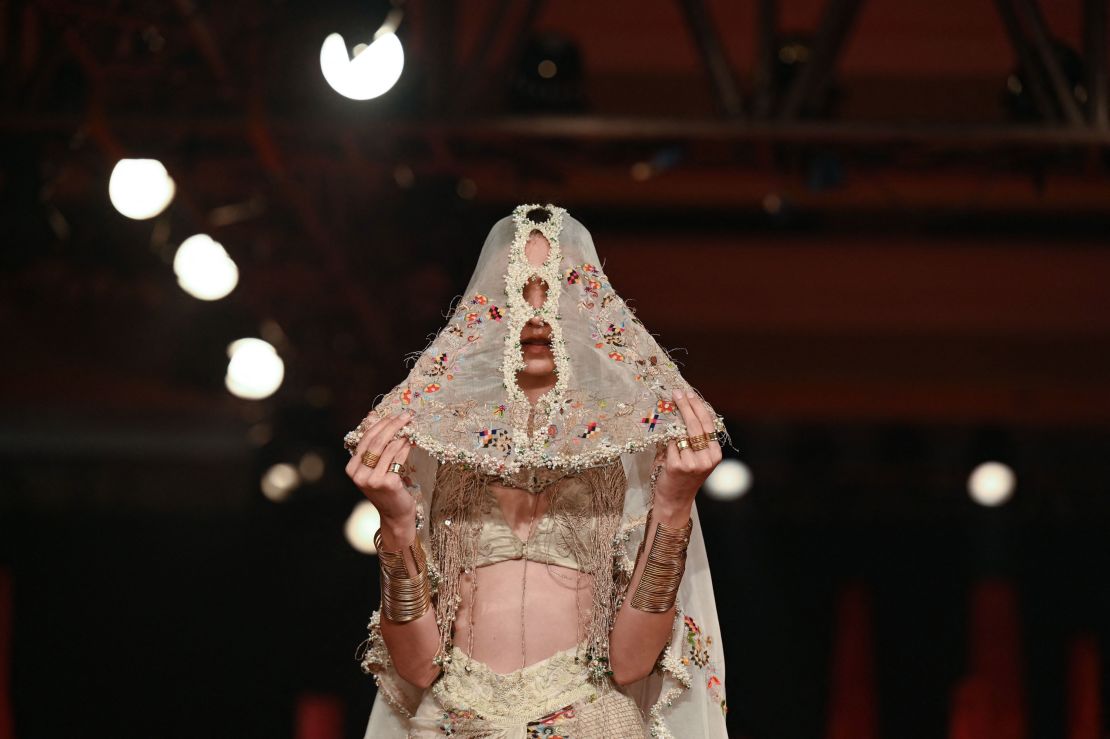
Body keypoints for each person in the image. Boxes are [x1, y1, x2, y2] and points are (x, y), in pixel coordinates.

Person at [344, 204, 728, 738]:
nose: (536, 312)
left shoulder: (631, 448)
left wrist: (673, 505)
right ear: (485, 308)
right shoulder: (435, 446)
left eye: (555, 288)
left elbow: (631, 663)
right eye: (517, 291)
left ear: (589, 305)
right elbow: (419, 666)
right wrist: (396, 524)